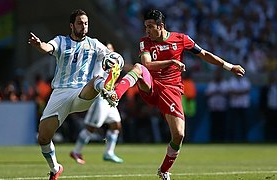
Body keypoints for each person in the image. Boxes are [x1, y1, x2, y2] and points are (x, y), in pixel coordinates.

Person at [101, 9, 245, 180]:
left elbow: (205, 54)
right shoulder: (145, 42)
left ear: (161, 26)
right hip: (152, 85)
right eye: (145, 26)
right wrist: (171, 61)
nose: (147, 30)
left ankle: (164, 170)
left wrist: (229, 67)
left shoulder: (181, 39)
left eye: (150, 26)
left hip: (172, 89)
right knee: (139, 68)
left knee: (179, 134)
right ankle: (115, 94)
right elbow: (147, 63)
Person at [28, 9, 120, 180]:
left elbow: (112, 56)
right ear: (72, 25)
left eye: (86, 23)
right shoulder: (61, 41)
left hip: (82, 92)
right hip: (60, 93)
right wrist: (39, 44)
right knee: (43, 137)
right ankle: (55, 169)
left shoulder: (94, 44)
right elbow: (48, 47)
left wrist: (116, 60)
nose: (83, 26)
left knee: (97, 80)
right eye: (80, 23)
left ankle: (106, 90)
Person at [70, 43, 124, 164]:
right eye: (107, 49)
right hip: (100, 99)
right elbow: (96, 79)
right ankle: (76, 151)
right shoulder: (100, 63)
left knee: (116, 125)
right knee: (91, 128)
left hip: (109, 100)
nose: (109, 51)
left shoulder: (115, 65)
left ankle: (109, 153)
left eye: (111, 48)